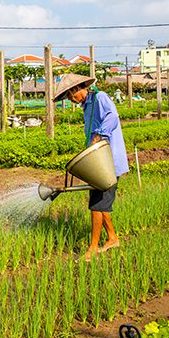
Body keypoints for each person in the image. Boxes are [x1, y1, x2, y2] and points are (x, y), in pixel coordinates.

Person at [53, 73, 129, 261]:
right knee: (100, 203)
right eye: (69, 98)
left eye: (72, 96)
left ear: (77, 89)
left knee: (97, 205)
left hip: (108, 163)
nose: (72, 100)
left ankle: (93, 247)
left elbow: (113, 117)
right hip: (98, 163)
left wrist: (100, 135)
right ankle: (112, 238)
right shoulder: (86, 107)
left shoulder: (100, 97)